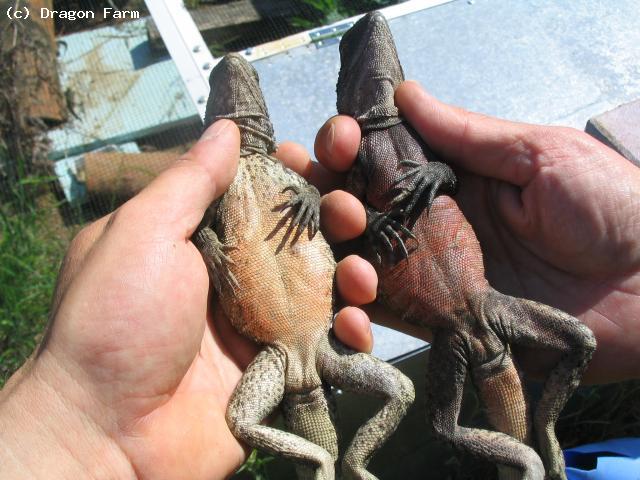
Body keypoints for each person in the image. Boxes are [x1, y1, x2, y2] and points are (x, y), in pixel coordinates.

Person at [0, 81, 638, 479]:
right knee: (309, 416)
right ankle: (334, 462)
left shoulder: (297, 182)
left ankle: (529, 443)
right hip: (285, 351)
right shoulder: (255, 185)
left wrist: (71, 428)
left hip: (371, 325)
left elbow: (335, 208)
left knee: (441, 407)